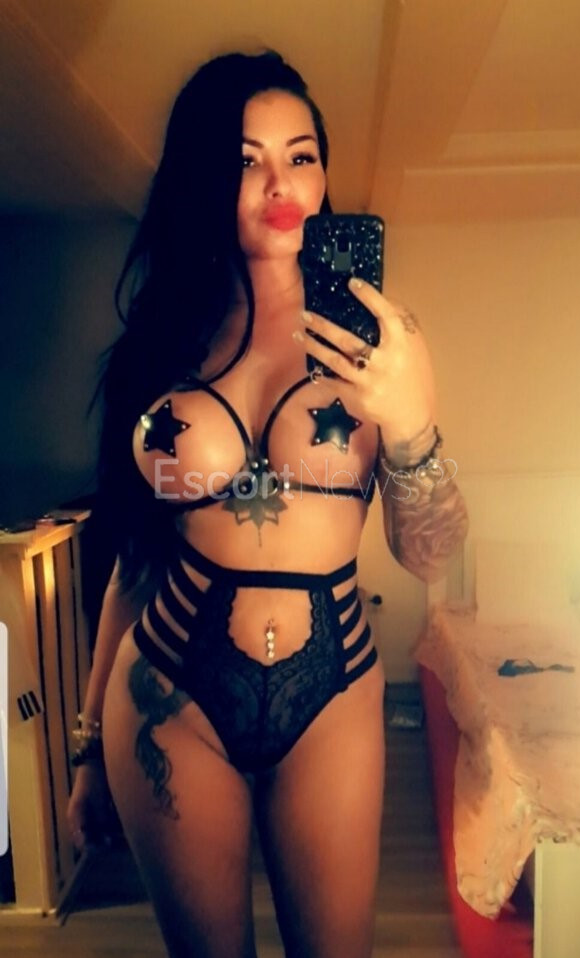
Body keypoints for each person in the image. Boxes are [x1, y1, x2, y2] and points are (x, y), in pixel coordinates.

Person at [67, 49, 469, 958]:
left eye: (301, 156)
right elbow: (133, 561)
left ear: (324, 176)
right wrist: (88, 750)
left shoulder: (378, 343)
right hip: (168, 691)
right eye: (245, 159)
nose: (279, 183)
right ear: (204, 177)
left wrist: (414, 428)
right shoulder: (158, 344)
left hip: (332, 695)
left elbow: (432, 556)